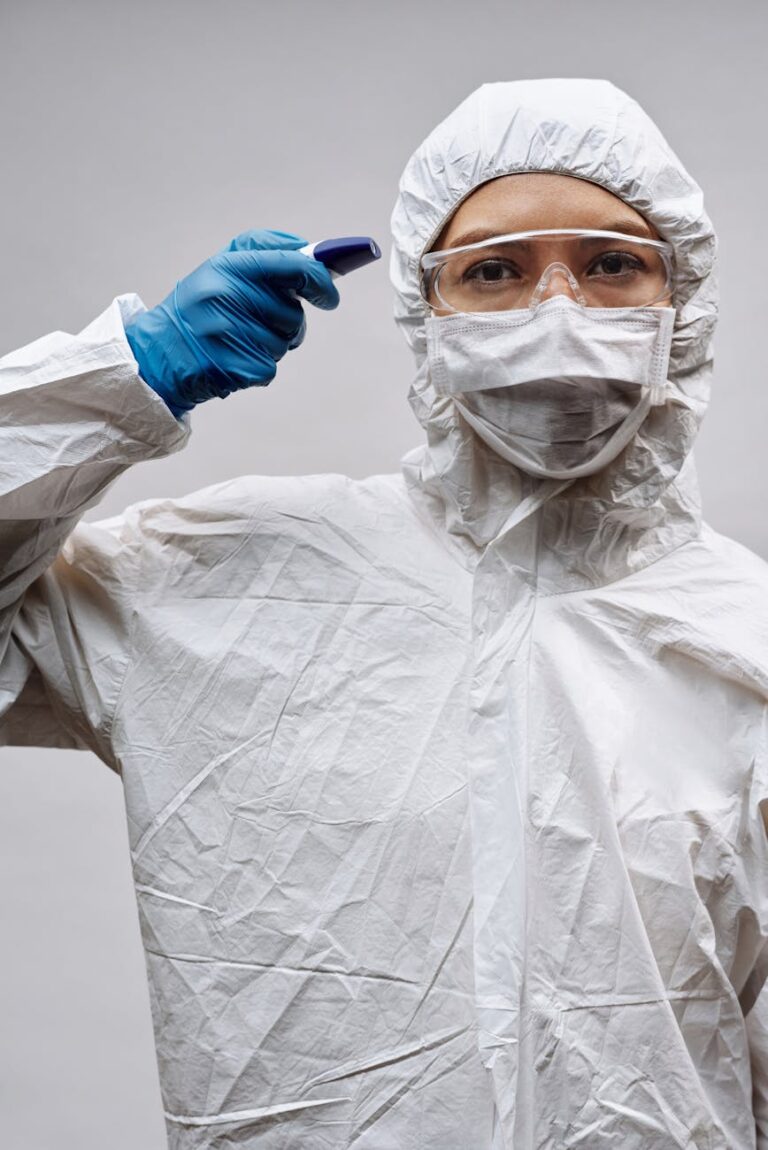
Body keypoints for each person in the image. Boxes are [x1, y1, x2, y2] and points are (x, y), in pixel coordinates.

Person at [1, 77, 766, 1150]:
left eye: (611, 265)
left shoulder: (745, 639)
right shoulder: (220, 582)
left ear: (680, 304)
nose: (558, 311)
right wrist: (128, 379)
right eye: (495, 271)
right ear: (426, 308)